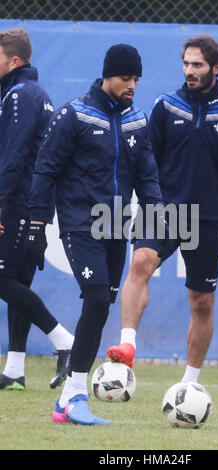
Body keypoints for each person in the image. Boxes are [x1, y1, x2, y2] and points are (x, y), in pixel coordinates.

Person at [29, 44, 163, 425]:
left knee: (102, 303)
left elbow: (148, 176)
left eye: (136, 79)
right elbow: (46, 169)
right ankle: (72, 396)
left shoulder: (137, 120)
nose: (131, 85)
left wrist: (159, 221)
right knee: (94, 296)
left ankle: (68, 403)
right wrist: (38, 225)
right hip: (79, 223)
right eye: (125, 78)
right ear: (107, 76)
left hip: (116, 225)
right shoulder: (74, 114)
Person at [107, 35, 218, 383]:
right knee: (140, 262)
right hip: (163, 209)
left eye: (197, 65)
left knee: (202, 303)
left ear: (215, 68)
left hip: (208, 219)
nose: (190, 70)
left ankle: (189, 385)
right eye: (186, 63)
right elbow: (145, 160)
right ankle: (127, 346)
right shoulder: (166, 106)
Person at [0, 28, 74, 391]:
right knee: (18, 281)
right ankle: (14, 369)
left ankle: (65, 341)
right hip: (31, 202)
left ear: (15, 60)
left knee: (3, 280)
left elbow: (13, 158)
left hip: (17, 202)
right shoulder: (31, 93)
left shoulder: (20, 95)